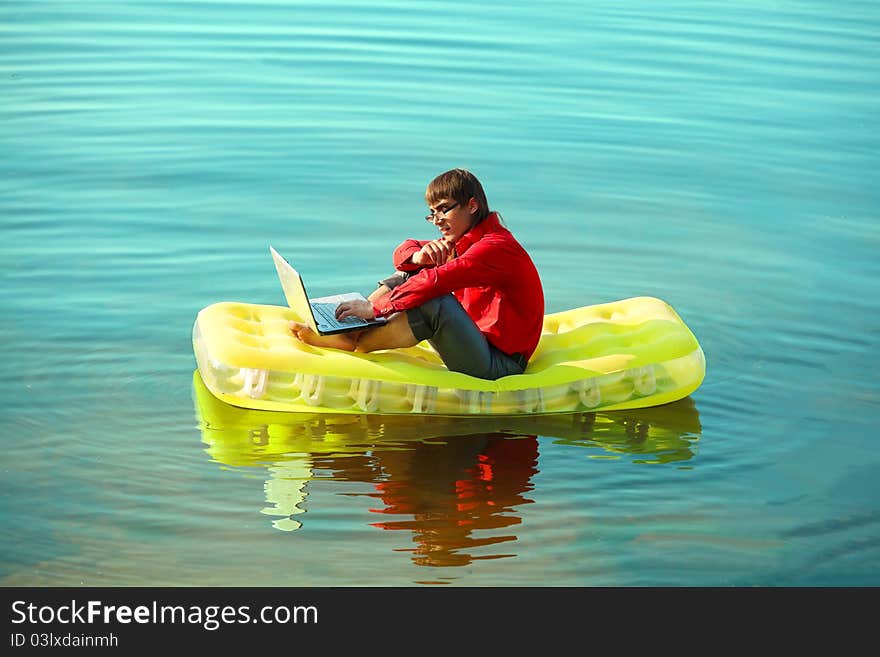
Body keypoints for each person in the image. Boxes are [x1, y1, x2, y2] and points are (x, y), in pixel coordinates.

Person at [289, 168, 544, 380]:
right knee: (414, 270)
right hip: (475, 341)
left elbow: (436, 282)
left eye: (444, 209)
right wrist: (417, 257)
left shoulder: (495, 248)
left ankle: (357, 341)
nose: (438, 220)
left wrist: (375, 309)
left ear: (472, 205)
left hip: (499, 365)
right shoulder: (461, 241)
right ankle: (351, 331)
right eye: (432, 213)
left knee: (435, 300)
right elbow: (405, 249)